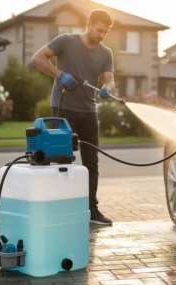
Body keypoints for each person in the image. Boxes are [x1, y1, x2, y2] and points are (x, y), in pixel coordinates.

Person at [31, 9, 115, 226]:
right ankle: (60, 209)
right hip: (63, 110)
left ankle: (91, 210)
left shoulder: (106, 53)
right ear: (89, 24)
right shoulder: (66, 41)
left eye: (105, 33)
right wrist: (60, 75)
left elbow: (110, 80)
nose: (101, 36)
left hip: (88, 111)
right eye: (99, 30)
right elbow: (37, 58)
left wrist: (106, 88)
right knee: (62, 159)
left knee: (91, 162)